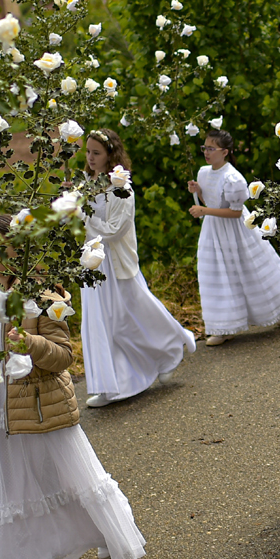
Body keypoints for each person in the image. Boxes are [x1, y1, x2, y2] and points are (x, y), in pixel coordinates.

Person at [0, 215, 146, 559]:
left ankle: (104, 533)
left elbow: (64, 355)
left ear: (16, 246)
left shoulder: (43, 293)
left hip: (40, 402)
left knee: (68, 475)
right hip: (0, 407)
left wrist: (29, 341)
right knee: (7, 488)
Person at [79, 129, 195, 407]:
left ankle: (172, 345)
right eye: (88, 152)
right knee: (100, 323)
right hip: (92, 261)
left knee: (130, 315)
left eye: (97, 153)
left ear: (110, 154)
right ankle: (113, 385)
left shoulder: (122, 188)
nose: (91, 158)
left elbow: (115, 230)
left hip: (116, 262)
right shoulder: (86, 183)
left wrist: (82, 217)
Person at [187, 129, 280, 345]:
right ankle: (224, 326)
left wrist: (204, 211)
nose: (206, 152)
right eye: (204, 147)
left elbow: (235, 212)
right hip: (214, 230)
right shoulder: (204, 172)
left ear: (224, 152)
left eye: (211, 148)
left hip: (236, 229)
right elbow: (212, 202)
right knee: (217, 274)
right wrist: (199, 191)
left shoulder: (233, 178)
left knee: (251, 269)